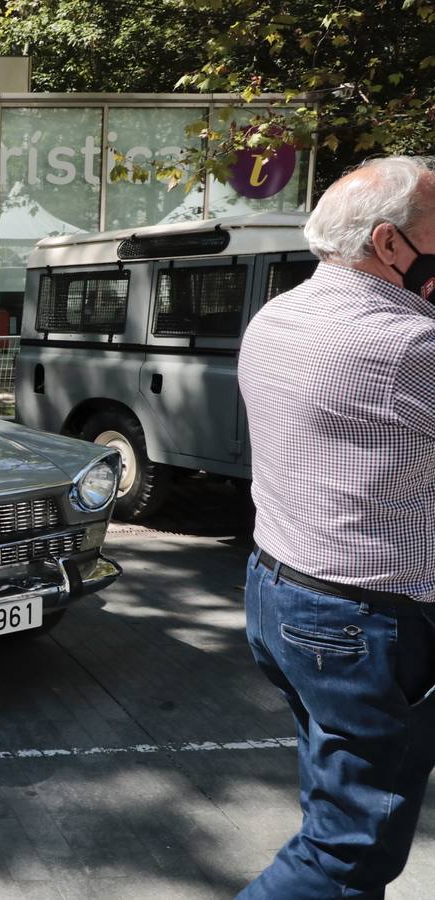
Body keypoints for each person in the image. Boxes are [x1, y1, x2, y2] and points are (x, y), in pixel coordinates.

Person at [237, 155, 435, 899]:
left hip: (279, 600)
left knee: (333, 799)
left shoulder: (278, 315)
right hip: (365, 628)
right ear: (389, 244)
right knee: (345, 855)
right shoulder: (410, 348)